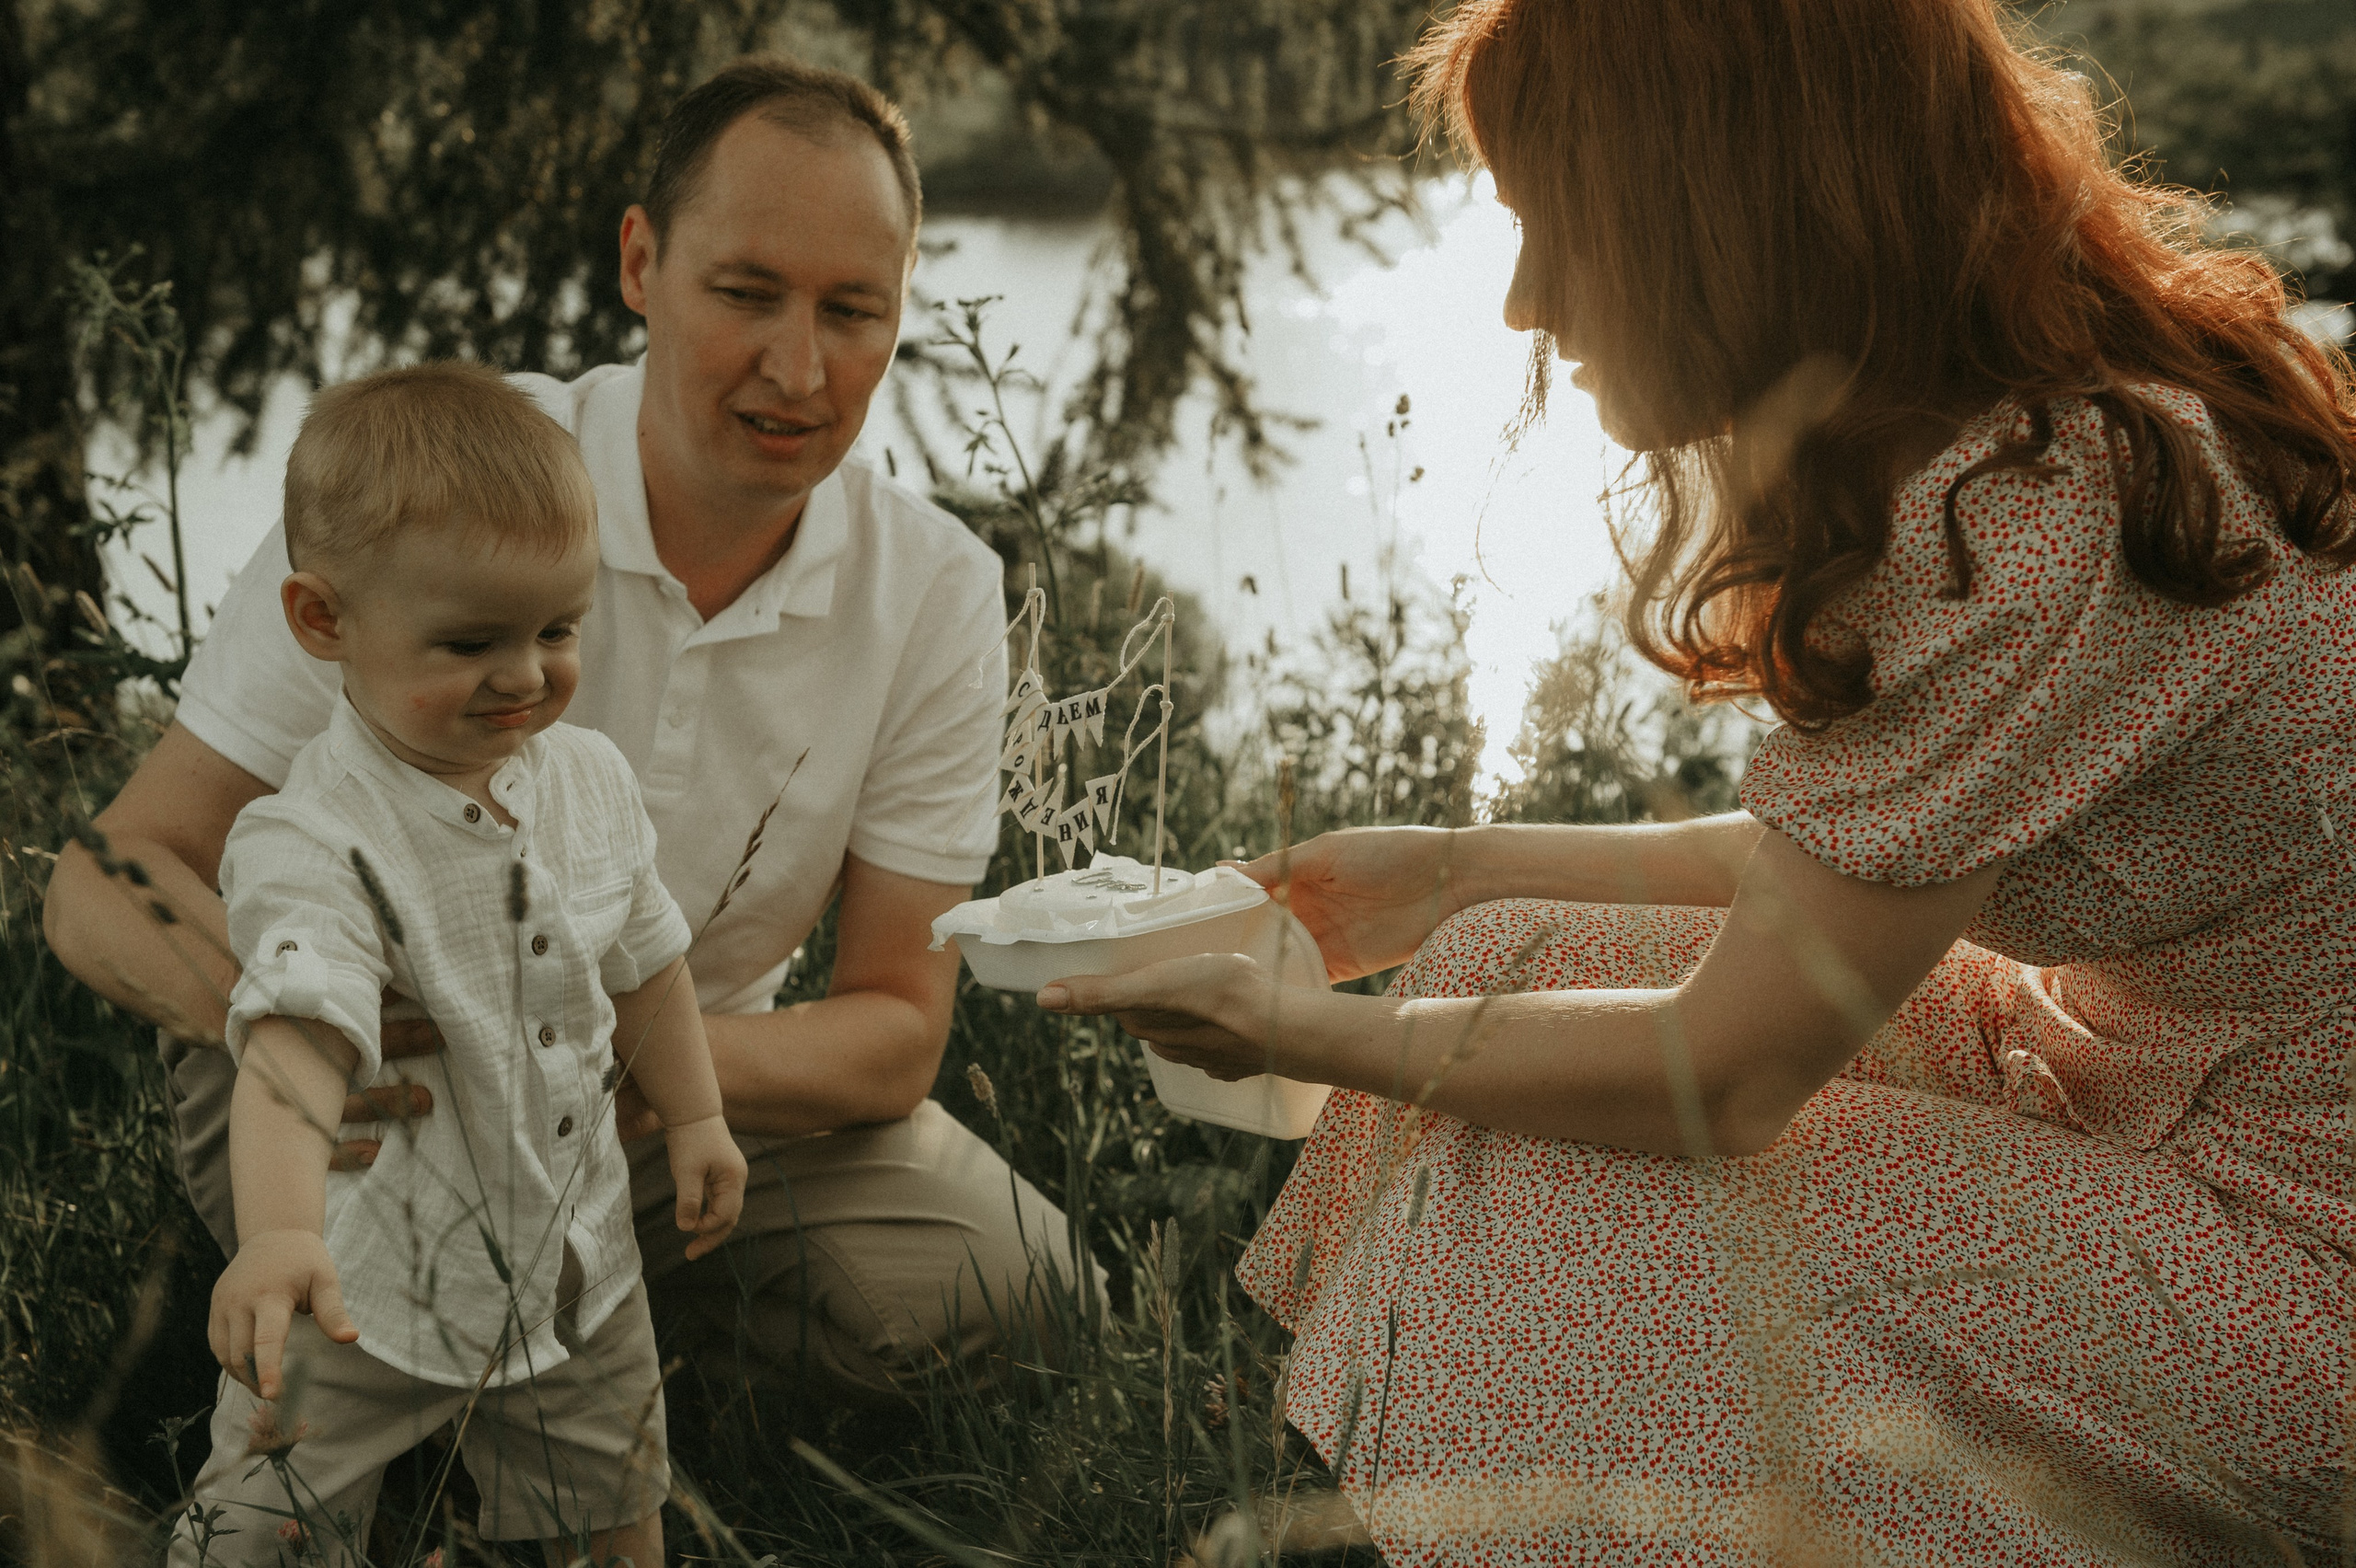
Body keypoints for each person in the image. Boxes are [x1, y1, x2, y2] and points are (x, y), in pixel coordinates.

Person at [1040, 1, 2355, 1562]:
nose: (1526, 303)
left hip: (2292, 1270)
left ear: (1719, 214)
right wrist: (1459, 867)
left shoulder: (2045, 513)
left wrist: (1305, 1030)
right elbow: (1862, 859)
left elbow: (1727, 1077)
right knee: (1507, 954)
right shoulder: (2033, 432)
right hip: (2131, 1090)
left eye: (1556, 233)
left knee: (1555, 1197)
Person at [44, 56, 1086, 1422]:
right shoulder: (434, 484)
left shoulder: (937, 589)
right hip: (382, 1083)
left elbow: (894, 1033)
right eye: (747, 292)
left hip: (675, 1095)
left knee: (1031, 1289)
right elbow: (107, 874)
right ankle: (336, 1337)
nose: (799, 366)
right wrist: (315, 1032)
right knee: (375, 1318)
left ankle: (590, 1374)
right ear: (642, 262)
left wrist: (607, 1057)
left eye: (854, 311)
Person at [178, 363, 747, 1565]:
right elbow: (294, 1035)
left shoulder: (587, 778)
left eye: (557, 629)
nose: (527, 674)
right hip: (364, 1290)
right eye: (471, 640)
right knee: (267, 1523)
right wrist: (281, 1236)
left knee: (615, 1497)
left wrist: (695, 1115)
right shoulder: (315, 837)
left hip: (573, 1265)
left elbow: (647, 956)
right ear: (323, 621)